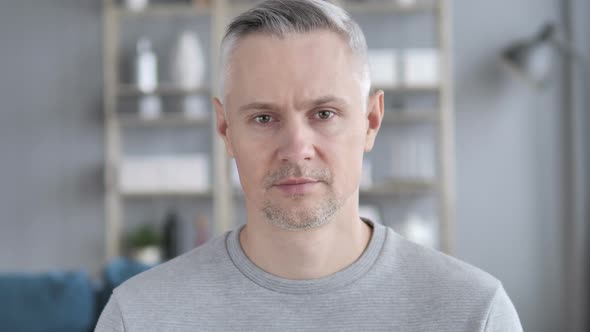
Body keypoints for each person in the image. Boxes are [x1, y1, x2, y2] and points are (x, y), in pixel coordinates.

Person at [96, 0, 523, 331]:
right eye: (264, 118)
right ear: (225, 129)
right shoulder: (139, 317)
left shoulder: (475, 313)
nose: (296, 148)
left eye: (324, 114)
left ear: (371, 121)